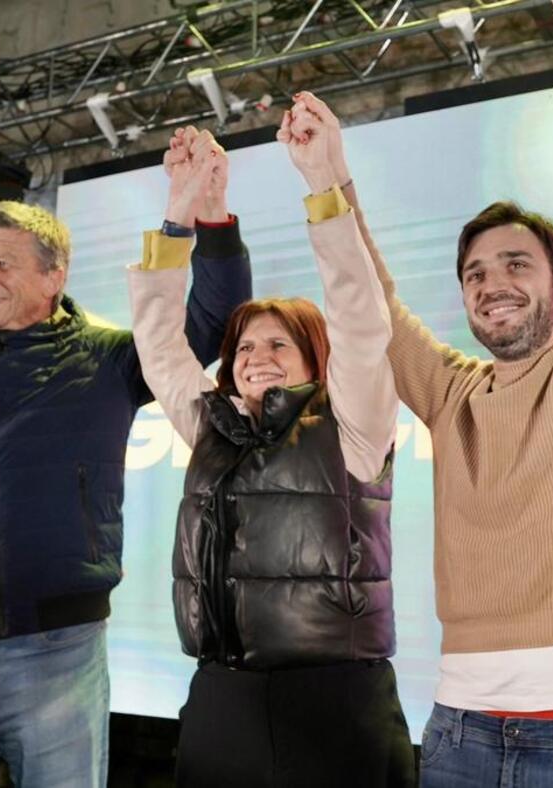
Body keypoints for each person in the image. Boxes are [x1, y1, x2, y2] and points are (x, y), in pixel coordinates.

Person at [280, 91, 553, 786]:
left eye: (515, 265)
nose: (491, 284)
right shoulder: (453, 393)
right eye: (475, 274)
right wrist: (327, 179)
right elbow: (368, 298)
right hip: (461, 730)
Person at [0, 129, 252, 787]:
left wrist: (207, 214)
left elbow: (212, 322)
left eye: (3, 263)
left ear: (53, 274)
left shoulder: (108, 358)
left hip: (54, 657)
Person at [126, 103, 411, 787]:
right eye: (245, 345)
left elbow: (359, 316)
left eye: (279, 342)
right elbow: (161, 345)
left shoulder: (355, 420)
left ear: (316, 358)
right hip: (222, 702)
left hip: (336, 708)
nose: (256, 355)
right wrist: (180, 212)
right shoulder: (213, 430)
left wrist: (321, 184)